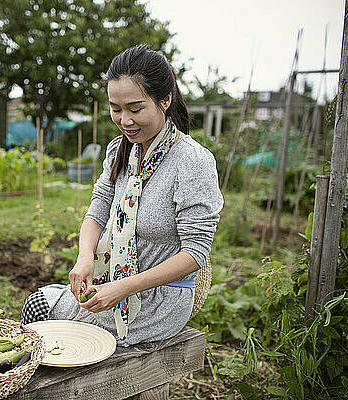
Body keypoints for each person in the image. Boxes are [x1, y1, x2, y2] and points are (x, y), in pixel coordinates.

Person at [21, 45, 224, 346]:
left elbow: (195, 254)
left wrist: (122, 289)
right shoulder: (121, 150)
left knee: (52, 334)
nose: (125, 120)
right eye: (116, 109)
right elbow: (98, 209)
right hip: (111, 284)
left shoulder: (192, 160)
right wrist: (84, 258)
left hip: (157, 301)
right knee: (36, 306)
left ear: (165, 100)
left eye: (136, 108)